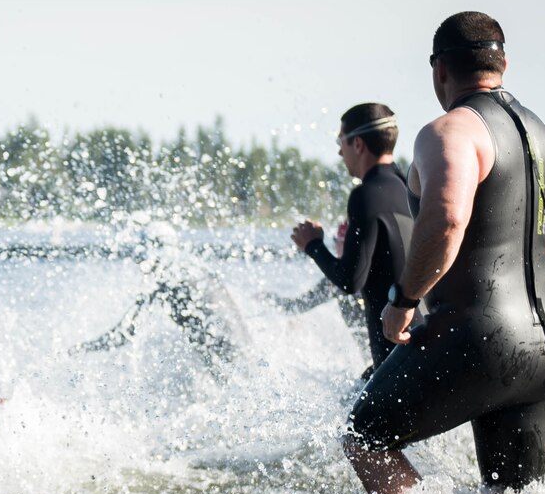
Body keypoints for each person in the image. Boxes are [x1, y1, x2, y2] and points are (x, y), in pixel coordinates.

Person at [340, 12, 545, 494]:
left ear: (439, 70)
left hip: (477, 336)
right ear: (504, 63)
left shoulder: (449, 131)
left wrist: (403, 300)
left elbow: (447, 220)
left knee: (363, 436)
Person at [290, 103, 415, 372]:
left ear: (357, 144)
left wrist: (312, 245)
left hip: (394, 361)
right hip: (420, 347)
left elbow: (350, 280)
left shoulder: (366, 194)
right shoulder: (406, 187)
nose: (339, 151)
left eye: (341, 141)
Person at [73, 223, 250, 375]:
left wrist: (82, 349)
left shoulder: (168, 278)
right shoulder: (196, 271)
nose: (138, 259)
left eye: (140, 251)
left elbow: (125, 333)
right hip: (239, 350)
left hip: (227, 352)